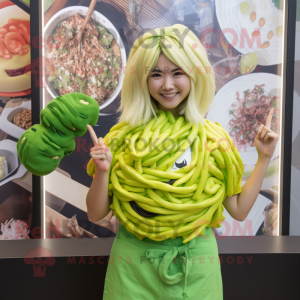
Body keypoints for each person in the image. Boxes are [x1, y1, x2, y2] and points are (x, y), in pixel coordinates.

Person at [86, 25, 279, 300]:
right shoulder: (121, 139)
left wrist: (263, 158)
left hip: (196, 266)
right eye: (156, 74)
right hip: (132, 269)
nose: (167, 84)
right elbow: (95, 214)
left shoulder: (212, 140)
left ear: (195, 75)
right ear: (142, 79)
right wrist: (102, 172)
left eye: (177, 73)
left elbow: (237, 209)